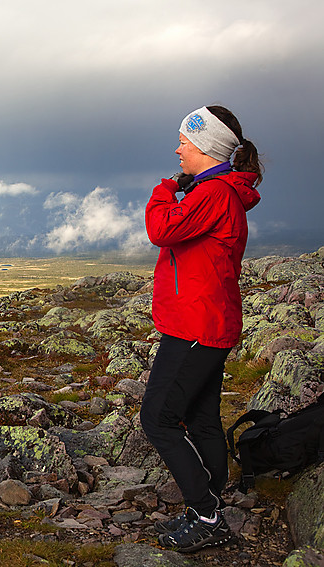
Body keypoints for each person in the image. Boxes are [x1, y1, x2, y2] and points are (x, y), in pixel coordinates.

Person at [141, 105, 262, 553]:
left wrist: (165, 188)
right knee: (202, 417)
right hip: (207, 323)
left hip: (195, 324)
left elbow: (161, 228)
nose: (177, 150)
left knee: (158, 419)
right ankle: (212, 500)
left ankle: (207, 514)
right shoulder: (218, 191)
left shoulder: (212, 194)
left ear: (206, 148)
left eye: (184, 143)